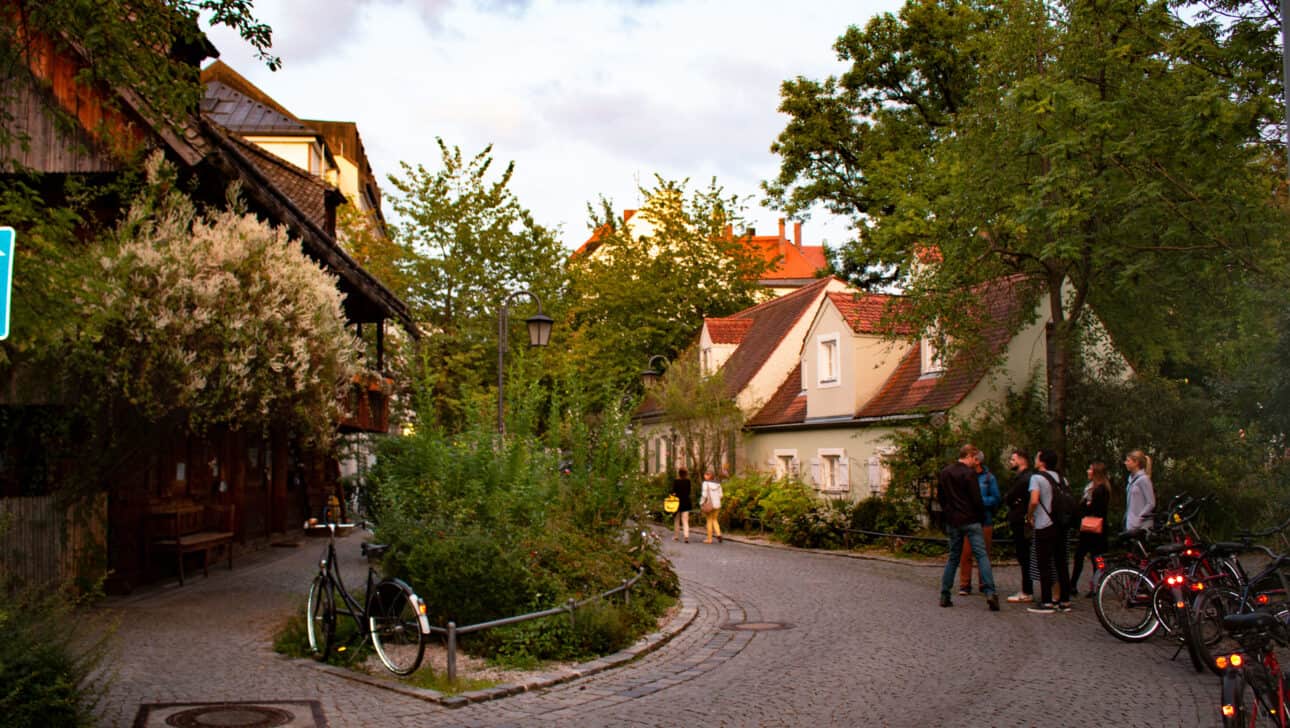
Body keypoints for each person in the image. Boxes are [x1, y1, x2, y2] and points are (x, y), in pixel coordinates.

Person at [938, 444, 1000, 611]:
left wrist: (949, 515)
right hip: (971, 520)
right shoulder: (969, 474)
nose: (976, 462)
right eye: (975, 458)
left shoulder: (945, 473)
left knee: (953, 557)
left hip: (953, 521)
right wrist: (980, 517)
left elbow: (941, 498)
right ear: (970, 456)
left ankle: (945, 594)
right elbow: (976, 499)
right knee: (982, 556)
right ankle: (990, 592)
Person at [1026, 449, 1072, 613]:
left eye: (1037, 457)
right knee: (1061, 564)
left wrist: (1029, 515)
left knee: (1044, 563)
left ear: (1042, 461)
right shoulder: (1062, 479)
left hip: (1044, 524)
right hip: (1061, 525)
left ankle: (1047, 601)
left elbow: (1034, 500)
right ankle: (1065, 600)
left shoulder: (1036, 478)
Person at [959, 452, 1001, 595]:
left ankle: (984, 584)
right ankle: (965, 584)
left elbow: (996, 498)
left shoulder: (989, 478)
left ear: (977, 461)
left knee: (984, 554)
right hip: (969, 520)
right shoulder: (966, 476)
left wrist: (980, 502)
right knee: (966, 554)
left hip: (985, 520)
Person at [1070, 460, 1111, 596]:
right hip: (1090, 529)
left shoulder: (1100, 490)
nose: (1088, 471)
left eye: (1090, 469)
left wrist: (1087, 506)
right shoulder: (1091, 488)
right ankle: (1077, 584)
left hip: (1093, 529)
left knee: (1092, 557)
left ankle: (1093, 585)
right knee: (1085, 556)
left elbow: (1096, 509)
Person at [1003, 449, 1035, 603]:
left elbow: (1011, 495)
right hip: (1020, 517)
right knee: (1024, 555)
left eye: (1013, 459)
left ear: (1022, 460)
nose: (1011, 461)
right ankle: (1027, 588)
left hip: (1021, 520)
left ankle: (1027, 590)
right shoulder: (1023, 478)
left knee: (1024, 555)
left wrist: (1012, 499)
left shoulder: (1025, 478)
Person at [1124, 449, 1155, 531]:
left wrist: (1139, 517)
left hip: (1142, 526)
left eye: (1128, 461)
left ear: (1136, 462)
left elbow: (1151, 503)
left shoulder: (1143, 479)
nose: (1125, 463)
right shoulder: (1131, 480)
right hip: (1131, 524)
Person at [671, 467, 693, 543]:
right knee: (685, 520)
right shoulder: (688, 481)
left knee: (676, 520)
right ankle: (686, 536)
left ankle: (676, 536)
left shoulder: (676, 481)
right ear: (686, 473)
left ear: (679, 473)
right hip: (686, 502)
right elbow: (689, 492)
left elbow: (673, 492)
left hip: (677, 503)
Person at [700, 470, 723, 544]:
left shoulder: (705, 483)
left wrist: (701, 503)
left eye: (705, 474)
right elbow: (721, 495)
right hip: (717, 504)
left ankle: (709, 539)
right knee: (715, 519)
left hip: (710, 504)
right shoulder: (718, 484)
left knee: (709, 520)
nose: (704, 475)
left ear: (708, 476)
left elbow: (704, 495)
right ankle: (719, 534)